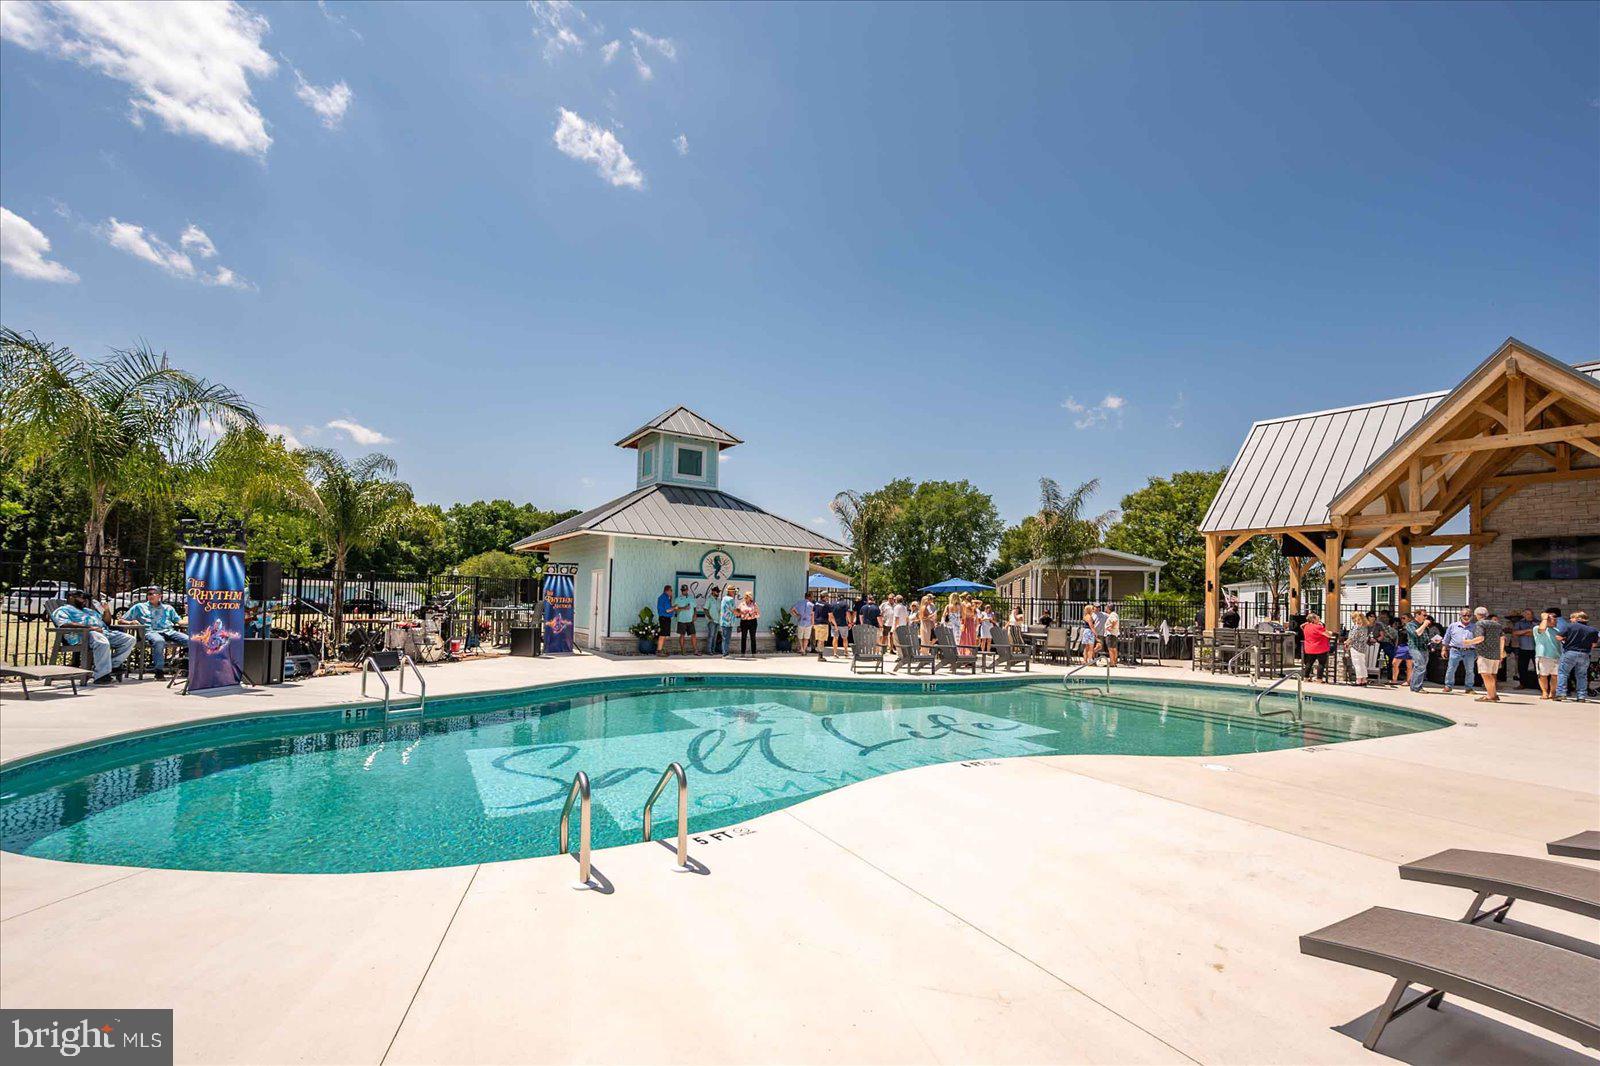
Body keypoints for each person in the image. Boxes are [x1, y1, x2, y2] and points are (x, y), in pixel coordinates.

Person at [51, 590, 133, 684]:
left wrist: (106, 610)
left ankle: (113, 664)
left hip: (104, 633)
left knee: (129, 639)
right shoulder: (62, 610)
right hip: (83, 635)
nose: (85, 600)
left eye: (86, 598)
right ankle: (101, 676)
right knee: (101, 641)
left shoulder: (89, 611)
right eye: (82, 598)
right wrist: (90, 628)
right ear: (71, 598)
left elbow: (106, 623)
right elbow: (64, 624)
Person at [122, 587, 184, 680]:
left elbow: (179, 622)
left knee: (190, 640)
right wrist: (130, 622)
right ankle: (158, 671)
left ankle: (188, 665)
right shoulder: (139, 607)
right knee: (159, 641)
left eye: (152, 593)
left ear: (160, 596)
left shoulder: (168, 608)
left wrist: (194, 620)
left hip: (168, 631)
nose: (150, 596)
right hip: (150, 632)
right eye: (148, 594)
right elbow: (121, 620)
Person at [1465, 607, 1504, 703]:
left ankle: (1491, 695)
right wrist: (1501, 652)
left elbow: (1481, 638)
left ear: (1477, 615)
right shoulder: (1497, 624)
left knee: (1486, 675)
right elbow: (1502, 638)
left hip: (1484, 653)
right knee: (1490, 675)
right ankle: (1493, 694)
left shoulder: (1480, 624)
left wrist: (1468, 642)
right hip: (1495, 654)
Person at [1556, 610, 1596, 702]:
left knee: (1563, 673)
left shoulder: (1569, 626)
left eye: (1572, 618)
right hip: (1585, 654)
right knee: (1582, 675)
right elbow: (1594, 644)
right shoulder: (1593, 630)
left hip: (1570, 652)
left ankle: (1561, 694)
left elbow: (1558, 637)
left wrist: (1565, 640)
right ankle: (1581, 696)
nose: (1570, 619)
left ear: (1577, 618)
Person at [1442, 609, 1477, 694]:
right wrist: (1444, 649)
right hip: (1455, 650)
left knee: (1470, 670)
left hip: (1470, 651)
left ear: (1471, 616)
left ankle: (1469, 688)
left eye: (1469, 615)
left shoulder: (1475, 626)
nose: (1466, 617)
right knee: (1451, 669)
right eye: (1464, 615)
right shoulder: (1453, 626)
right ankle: (1448, 686)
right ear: (1460, 616)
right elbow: (1446, 638)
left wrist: (1478, 652)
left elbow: (1479, 639)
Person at [1403, 608, 1437, 693]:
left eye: (1426, 615)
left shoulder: (1424, 626)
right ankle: (1416, 687)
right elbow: (1416, 634)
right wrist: (1424, 625)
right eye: (1424, 615)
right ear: (1417, 615)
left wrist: (1433, 642)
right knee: (1420, 666)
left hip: (1424, 648)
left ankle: (1415, 686)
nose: (1426, 617)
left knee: (1421, 667)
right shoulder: (1410, 624)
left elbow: (1426, 638)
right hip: (1415, 648)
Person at [1532, 609, 1563, 700]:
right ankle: (1544, 692)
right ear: (1548, 620)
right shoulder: (1537, 628)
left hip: (1556, 656)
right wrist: (1544, 619)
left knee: (1555, 676)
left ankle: (1552, 693)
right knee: (1543, 675)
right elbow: (1542, 629)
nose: (1556, 622)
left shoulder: (1557, 630)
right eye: (1554, 620)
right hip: (1543, 656)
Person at [1511, 608, 1538, 689]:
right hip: (1523, 648)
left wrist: (1522, 633)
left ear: (1532, 614)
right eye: (1525, 613)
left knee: (1538, 668)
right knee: (1522, 668)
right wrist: (1529, 630)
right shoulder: (1519, 623)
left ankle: (1539, 685)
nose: (1526, 615)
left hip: (1536, 649)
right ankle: (1522, 684)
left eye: (1528, 613)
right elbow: (1515, 633)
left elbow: (1538, 633)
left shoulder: (1537, 622)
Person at [1301, 613, 1331, 681]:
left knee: (1309, 663)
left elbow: (1301, 626)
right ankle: (1319, 679)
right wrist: (1330, 632)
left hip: (1310, 648)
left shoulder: (1306, 627)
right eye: (1318, 617)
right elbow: (1328, 635)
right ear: (1313, 619)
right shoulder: (1318, 627)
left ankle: (1306, 678)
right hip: (1320, 648)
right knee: (1321, 663)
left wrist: (1308, 622)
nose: (1319, 618)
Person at [1344, 611, 1371, 686]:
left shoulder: (1356, 627)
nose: (1352, 619)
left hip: (1355, 647)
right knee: (1362, 664)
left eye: (1353, 618)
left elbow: (1352, 637)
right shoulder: (1365, 627)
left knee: (1357, 664)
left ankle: (1358, 680)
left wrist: (1346, 642)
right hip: (1362, 648)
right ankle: (1364, 679)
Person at [673, 583, 698, 655]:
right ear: (681, 591)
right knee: (682, 635)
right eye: (683, 590)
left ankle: (695, 650)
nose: (684, 591)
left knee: (693, 635)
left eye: (685, 590)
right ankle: (683, 650)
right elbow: (675, 609)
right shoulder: (678, 599)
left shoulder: (691, 598)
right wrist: (684, 608)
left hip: (690, 620)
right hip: (681, 620)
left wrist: (695, 615)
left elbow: (695, 608)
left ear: (687, 590)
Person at [703, 586, 723, 656]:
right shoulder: (709, 599)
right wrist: (709, 618)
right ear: (713, 592)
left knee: (715, 636)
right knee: (711, 636)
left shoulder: (719, 600)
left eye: (718, 592)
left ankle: (713, 650)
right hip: (711, 621)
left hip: (718, 620)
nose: (718, 593)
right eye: (717, 591)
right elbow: (705, 609)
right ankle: (708, 650)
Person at [738, 591, 760, 655]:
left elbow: (758, 614)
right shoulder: (741, 604)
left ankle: (753, 652)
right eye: (746, 596)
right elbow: (738, 613)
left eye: (749, 596)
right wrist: (740, 615)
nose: (747, 598)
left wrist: (752, 615)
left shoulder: (754, 604)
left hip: (752, 622)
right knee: (743, 637)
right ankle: (743, 652)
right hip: (744, 621)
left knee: (753, 637)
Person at [655, 585, 674, 656]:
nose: (672, 592)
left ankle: (660, 649)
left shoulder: (663, 597)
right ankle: (659, 650)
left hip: (664, 618)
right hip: (664, 618)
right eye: (671, 590)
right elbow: (668, 610)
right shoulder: (665, 598)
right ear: (667, 590)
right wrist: (675, 607)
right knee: (663, 634)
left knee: (664, 634)